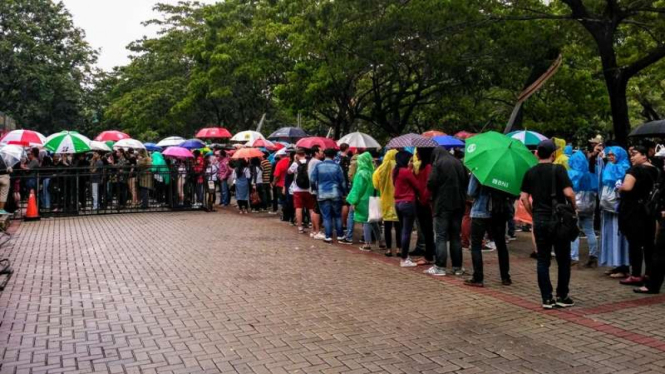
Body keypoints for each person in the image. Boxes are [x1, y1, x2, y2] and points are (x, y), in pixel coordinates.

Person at [520, 139, 576, 309]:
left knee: (543, 260)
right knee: (563, 259)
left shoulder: (530, 172)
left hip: (540, 220)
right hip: (558, 220)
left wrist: (533, 214)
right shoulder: (559, 170)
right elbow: (569, 193)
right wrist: (573, 208)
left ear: (537, 153)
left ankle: (546, 298)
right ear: (553, 154)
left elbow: (524, 198)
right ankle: (562, 295)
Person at [617, 145, 659, 286]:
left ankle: (635, 274)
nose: (632, 157)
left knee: (634, 243)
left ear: (644, 155)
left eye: (635, 154)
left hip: (633, 210)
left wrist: (620, 187)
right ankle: (649, 273)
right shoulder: (656, 170)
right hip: (649, 210)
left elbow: (627, 187)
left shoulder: (634, 169)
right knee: (648, 243)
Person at [426, 147, 469, 275]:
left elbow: (431, 183)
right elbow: (466, 181)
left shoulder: (438, 163)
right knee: (455, 236)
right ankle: (457, 267)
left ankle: (440, 267)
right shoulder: (458, 163)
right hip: (458, 204)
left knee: (441, 236)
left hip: (443, 204)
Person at [464, 175, 512, 286]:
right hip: (498, 212)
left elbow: (471, 192)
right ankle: (505, 277)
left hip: (480, 212)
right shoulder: (505, 172)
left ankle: (478, 278)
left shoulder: (480, 170)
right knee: (501, 245)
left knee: (476, 245)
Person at [599, 146, 631, 278]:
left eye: (613, 155)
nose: (611, 157)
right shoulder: (610, 165)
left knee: (620, 237)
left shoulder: (624, 167)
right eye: (609, 154)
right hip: (608, 207)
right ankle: (615, 264)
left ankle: (623, 266)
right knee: (610, 235)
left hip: (618, 208)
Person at [568, 150, 599, 268]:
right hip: (589, 206)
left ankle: (574, 257)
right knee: (590, 231)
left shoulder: (570, 174)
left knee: (574, 231)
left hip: (575, 205)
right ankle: (593, 257)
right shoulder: (591, 173)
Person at [347, 152, 384, 251]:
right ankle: (380, 241)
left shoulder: (361, 173)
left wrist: (353, 201)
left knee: (366, 221)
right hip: (373, 198)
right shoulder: (373, 171)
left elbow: (357, 189)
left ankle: (367, 243)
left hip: (363, 200)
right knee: (373, 221)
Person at [310, 148, 346, 243]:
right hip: (335, 193)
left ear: (324, 155)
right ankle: (340, 235)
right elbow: (342, 181)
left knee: (326, 216)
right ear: (334, 156)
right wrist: (344, 192)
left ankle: (328, 236)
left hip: (322, 193)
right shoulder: (337, 167)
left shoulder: (318, 166)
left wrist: (315, 189)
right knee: (337, 216)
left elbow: (312, 180)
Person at [391, 151, 420, 267]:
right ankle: (404, 258)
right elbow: (417, 185)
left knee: (403, 229)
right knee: (406, 231)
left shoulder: (396, 171)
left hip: (398, 203)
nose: (411, 162)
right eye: (410, 160)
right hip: (408, 202)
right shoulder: (406, 172)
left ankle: (404, 256)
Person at [373, 149, 401, 257]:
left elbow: (375, 185)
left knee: (387, 227)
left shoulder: (380, 169)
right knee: (399, 227)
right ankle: (399, 249)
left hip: (386, 201)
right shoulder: (400, 167)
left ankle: (389, 249)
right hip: (398, 200)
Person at [415, 148, 435, 265]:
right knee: (425, 230)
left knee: (428, 230)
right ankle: (427, 254)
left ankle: (429, 255)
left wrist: (423, 199)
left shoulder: (428, 167)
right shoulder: (423, 166)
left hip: (425, 203)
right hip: (421, 201)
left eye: (418, 151)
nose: (416, 154)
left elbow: (428, 185)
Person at [288, 149, 315, 234]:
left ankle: (300, 227)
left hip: (297, 189)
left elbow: (289, 172)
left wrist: (295, 161)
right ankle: (313, 226)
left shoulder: (295, 163)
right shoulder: (310, 162)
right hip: (309, 189)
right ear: (305, 154)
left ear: (297, 154)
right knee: (311, 208)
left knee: (298, 208)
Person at [307, 146, 324, 239]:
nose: (322, 152)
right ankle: (317, 231)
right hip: (317, 189)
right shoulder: (318, 163)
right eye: (321, 151)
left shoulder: (311, 161)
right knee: (317, 210)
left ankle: (314, 230)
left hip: (312, 189)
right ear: (316, 153)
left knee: (314, 209)